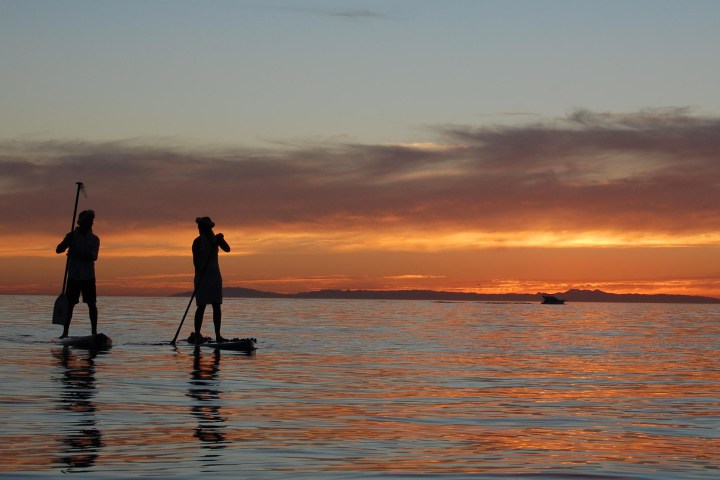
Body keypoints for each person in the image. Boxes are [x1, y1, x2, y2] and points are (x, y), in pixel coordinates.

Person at [56, 210, 100, 338]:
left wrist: (76, 253)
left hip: (88, 276)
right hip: (74, 276)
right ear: (82, 222)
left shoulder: (94, 239)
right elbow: (58, 250)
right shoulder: (71, 236)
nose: (91, 223)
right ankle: (65, 333)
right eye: (89, 221)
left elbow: (93, 257)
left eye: (92, 221)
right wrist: (66, 242)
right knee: (70, 305)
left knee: (92, 304)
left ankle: (94, 332)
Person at [192, 216, 231, 343]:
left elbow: (227, 249)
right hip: (202, 278)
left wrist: (221, 239)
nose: (199, 229)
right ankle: (197, 334)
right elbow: (196, 261)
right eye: (199, 226)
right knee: (201, 306)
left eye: (201, 226)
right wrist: (200, 272)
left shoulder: (215, 239)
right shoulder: (197, 242)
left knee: (216, 306)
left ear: (207, 228)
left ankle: (218, 335)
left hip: (214, 277)